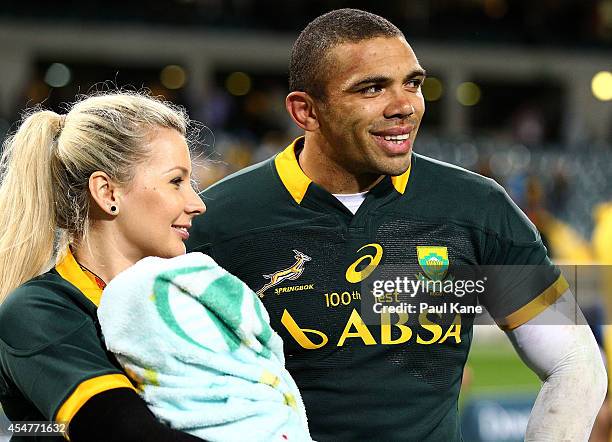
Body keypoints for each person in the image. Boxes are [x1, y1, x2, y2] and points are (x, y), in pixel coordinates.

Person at [186, 8, 607, 441]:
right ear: (305, 112)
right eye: (372, 88)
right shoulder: (217, 223)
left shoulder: (477, 209)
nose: (404, 105)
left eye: (414, 83)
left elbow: (576, 363)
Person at [0, 92, 208, 441]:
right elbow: (125, 433)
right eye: (176, 181)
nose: (197, 203)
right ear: (108, 193)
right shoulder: (37, 311)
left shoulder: (185, 301)